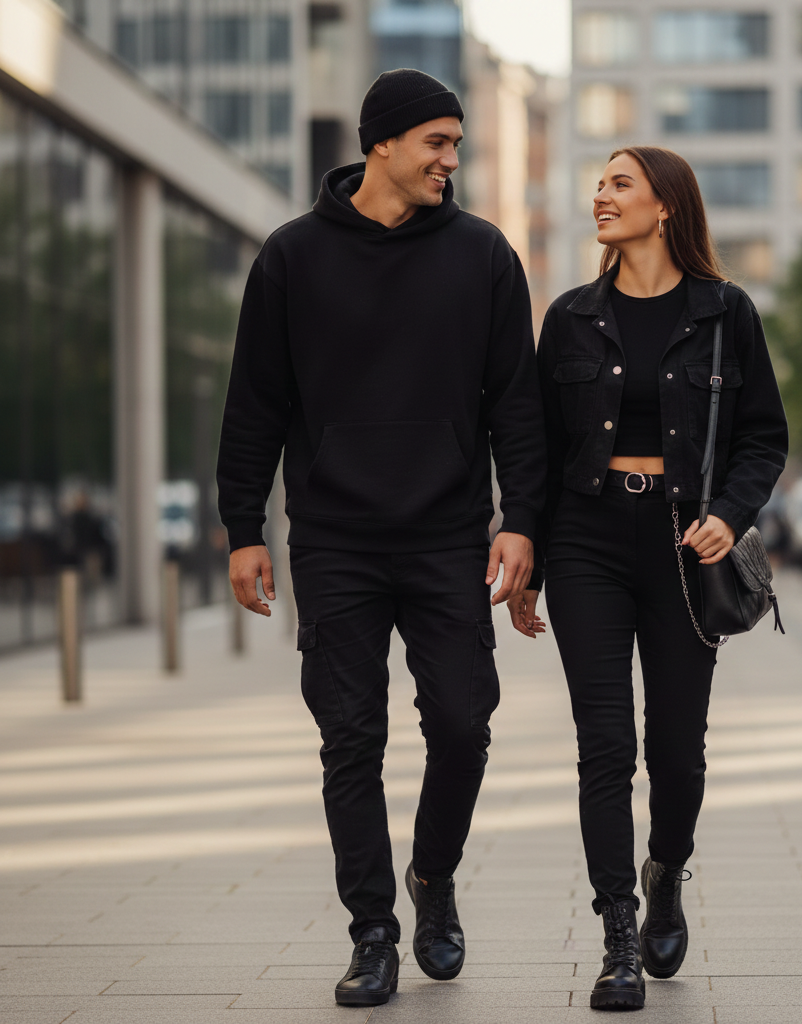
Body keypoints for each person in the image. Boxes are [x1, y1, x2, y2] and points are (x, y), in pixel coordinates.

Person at [217, 69, 545, 1007]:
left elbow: (517, 407)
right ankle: (372, 932)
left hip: (448, 535)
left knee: (463, 725)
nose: (451, 160)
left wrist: (523, 520)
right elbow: (255, 404)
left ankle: (432, 876)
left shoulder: (483, 255)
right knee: (349, 739)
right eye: (437, 142)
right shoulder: (292, 257)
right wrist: (245, 528)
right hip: (335, 540)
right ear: (383, 144)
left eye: (457, 144)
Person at [507, 146, 787, 1010]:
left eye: (619, 184)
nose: (601, 196)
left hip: (683, 543)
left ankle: (666, 869)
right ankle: (619, 935)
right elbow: (540, 449)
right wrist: (529, 552)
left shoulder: (725, 312)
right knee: (604, 745)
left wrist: (730, 512)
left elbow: (763, 435)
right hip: (586, 538)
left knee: (675, 748)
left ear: (665, 205)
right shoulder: (570, 316)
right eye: (599, 185)